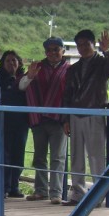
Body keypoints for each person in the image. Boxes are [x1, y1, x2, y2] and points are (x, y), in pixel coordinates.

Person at [63, 29, 109, 206]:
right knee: (76, 156)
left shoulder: (102, 63)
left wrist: (107, 50)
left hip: (94, 112)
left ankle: (98, 195)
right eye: (79, 45)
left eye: (85, 44)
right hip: (74, 113)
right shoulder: (73, 69)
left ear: (92, 44)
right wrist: (65, 118)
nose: (82, 48)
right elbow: (67, 94)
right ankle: (77, 194)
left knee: (96, 155)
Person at [19, 37, 70, 204]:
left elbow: (72, 95)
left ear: (63, 51)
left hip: (59, 120)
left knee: (58, 157)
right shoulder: (37, 67)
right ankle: (41, 191)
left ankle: (56, 193)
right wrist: (30, 76)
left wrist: (68, 119)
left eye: (56, 49)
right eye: (49, 50)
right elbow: (21, 86)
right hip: (39, 119)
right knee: (39, 156)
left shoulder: (69, 69)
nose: (53, 53)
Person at [0, 47, 28, 198]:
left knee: (18, 156)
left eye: (14, 60)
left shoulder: (24, 79)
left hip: (21, 123)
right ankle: (3, 186)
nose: (11, 63)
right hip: (2, 122)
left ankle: (14, 186)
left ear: (19, 63)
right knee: (3, 155)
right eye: (7, 60)